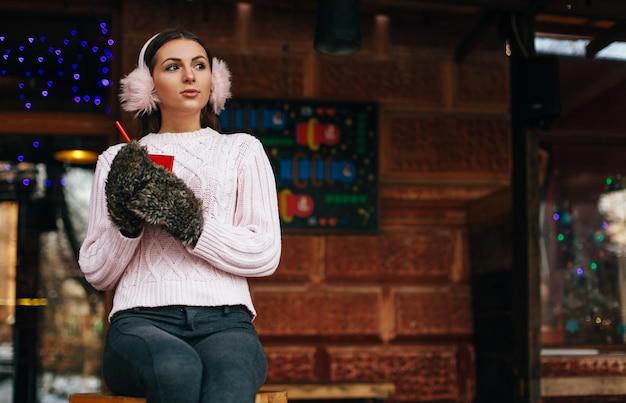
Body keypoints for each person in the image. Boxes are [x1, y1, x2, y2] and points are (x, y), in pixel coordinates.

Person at [78, 28, 282, 403]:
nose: (190, 76)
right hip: (141, 321)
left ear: (213, 80)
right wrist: (129, 221)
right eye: (173, 67)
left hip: (227, 322)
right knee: (176, 368)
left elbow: (265, 253)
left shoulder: (242, 151)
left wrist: (189, 222)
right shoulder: (118, 160)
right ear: (148, 86)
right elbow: (97, 272)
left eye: (199, 66)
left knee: (230, 381)